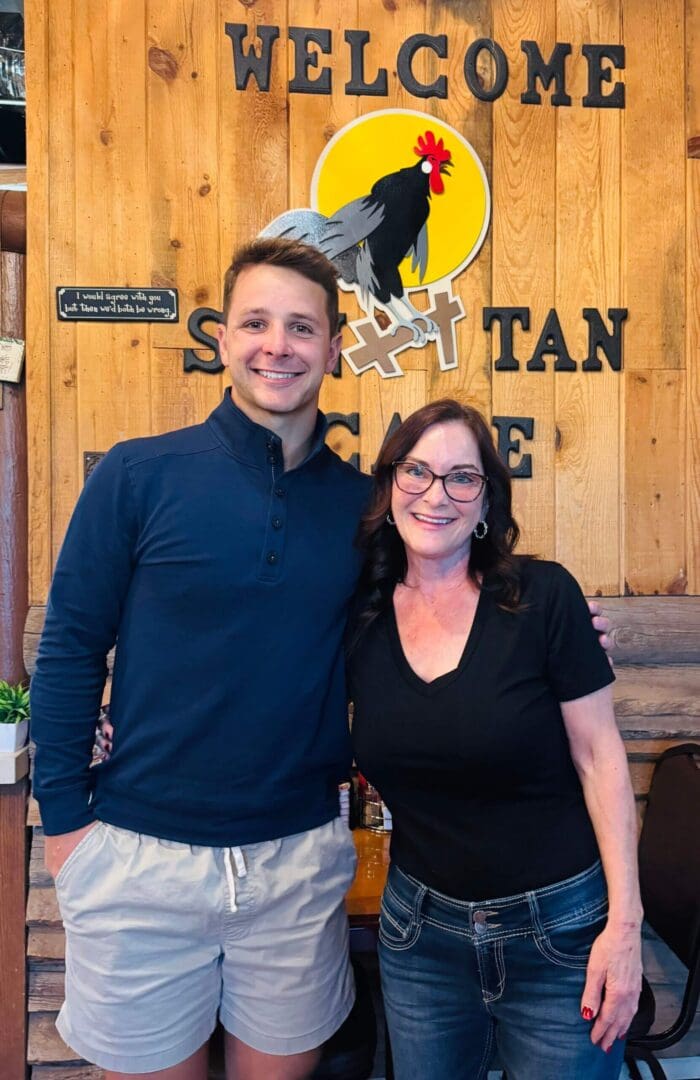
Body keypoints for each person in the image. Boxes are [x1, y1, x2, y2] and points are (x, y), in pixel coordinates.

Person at [31, 238, 611, 1080]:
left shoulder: (362, 511)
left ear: (334, 350)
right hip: (138, 858)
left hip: (296, 860)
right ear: (221, 339)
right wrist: (68, 826)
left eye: (301, 327)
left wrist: (560, 618)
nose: (279, 344)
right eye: (256, 322)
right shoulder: (136, 476)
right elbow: (71, 649)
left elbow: (444, 592)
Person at [347, 398, 642, 1080]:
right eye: (416, 471)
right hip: (421, 937)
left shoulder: (544, 598)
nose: (435, 494)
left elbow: (601, 761)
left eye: (462, 477)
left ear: (485, 502)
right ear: (390, 486)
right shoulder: (358, 618)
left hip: (562, 936)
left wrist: (624, 927)